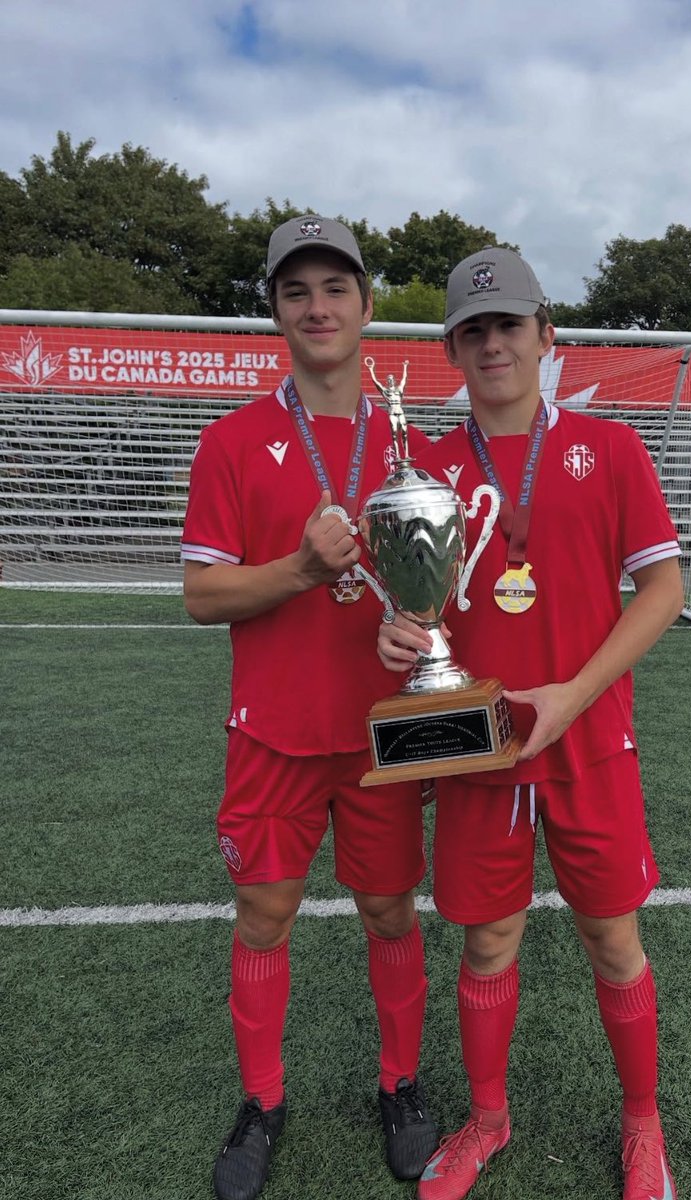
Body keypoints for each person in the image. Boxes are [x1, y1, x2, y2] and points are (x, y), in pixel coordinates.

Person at [377, 248, 684, 1200]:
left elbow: (663, 590)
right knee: (487, 942)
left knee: (612, 940)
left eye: (509, 325)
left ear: (546, 338)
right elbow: (406, 603)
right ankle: (488, 1120)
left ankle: (644, 1131)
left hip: (588, 739)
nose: (493, 344)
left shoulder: (611, 448)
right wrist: (397, 634)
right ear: (451, 352)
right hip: (480, 746)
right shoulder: (422, 467)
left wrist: (571, 695)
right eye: (473, 331)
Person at [181, 214, 439, 1200]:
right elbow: (203, 597)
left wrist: (413, 622)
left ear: (368, 308)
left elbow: (439, 586)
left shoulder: (411, 438)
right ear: (277, 313)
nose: (318, 306)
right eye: (297, 291)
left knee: (387, 910)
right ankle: (262, 1100)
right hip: (274, 736)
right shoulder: (234, 440)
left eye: (336, 288)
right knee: (263, 915)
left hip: (385, 732)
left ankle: (400, 1083)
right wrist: (298, 567)